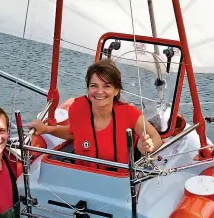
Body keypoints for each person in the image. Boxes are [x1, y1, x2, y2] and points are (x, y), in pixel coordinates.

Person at [29, 59, 162, 163]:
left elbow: (156, 138)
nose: (99, 92)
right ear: (88, 89)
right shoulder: (77, 110)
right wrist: (47, 129)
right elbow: (74, 133)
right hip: (85, 179)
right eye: (94, 86)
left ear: (116, 90)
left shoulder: (129, 114)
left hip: (119, 183)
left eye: (107, 86)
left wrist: (146, 148)